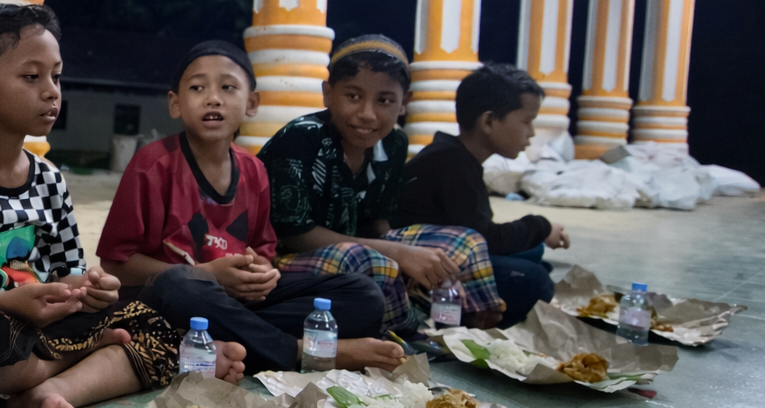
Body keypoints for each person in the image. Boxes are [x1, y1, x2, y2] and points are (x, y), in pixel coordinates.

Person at [0, 2, 247, 408]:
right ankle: (65, 364)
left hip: (36, 328)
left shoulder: (48, 178)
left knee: (150, 319)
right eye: (32, 77)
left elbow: (66, 275)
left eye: (56, 76)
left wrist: (89, 288)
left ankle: (42, 397)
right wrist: (10, 302)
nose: (52, 92)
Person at [96, 40, 400, 373]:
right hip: (168, 303)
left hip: (232, 307)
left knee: (363, 294)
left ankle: (236, 343)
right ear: (175, 104)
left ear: (252, 103)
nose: (213, 98)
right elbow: (116, 265)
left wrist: (262, 274)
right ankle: (296, 349)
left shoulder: (253, 170)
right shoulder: (154, 164)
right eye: (198, 88)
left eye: (228, 87)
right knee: (179, 283)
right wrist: (205, 274)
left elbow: (264, 253)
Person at [257, 35, 506, 330]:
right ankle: (406, 336)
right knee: (375, 262)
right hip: (282, 259)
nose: (367, 114)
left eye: (384, 100)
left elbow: (377, 222)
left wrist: (409, 258)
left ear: (404, 103)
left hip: (349, 249)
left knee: (465, 242)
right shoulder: (301, 138)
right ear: (327, 94)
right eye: (353, 96)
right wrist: (396, 253)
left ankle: (474, 327)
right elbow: (294, 235)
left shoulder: (394, 142)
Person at [394, 62, 565, 323]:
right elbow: (485, 238)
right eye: (526, 121)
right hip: (423, 267)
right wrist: (541, 226)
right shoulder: (452, 164)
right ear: (488, 121)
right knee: (533, 280)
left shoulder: (456, 156)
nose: (531, 133)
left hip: (455, 251)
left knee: (533, 253)